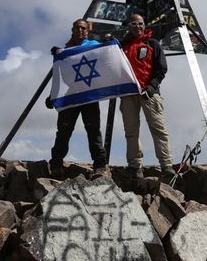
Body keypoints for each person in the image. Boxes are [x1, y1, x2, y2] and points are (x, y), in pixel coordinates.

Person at [45, 19, 108, 178]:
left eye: (83, 28)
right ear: (72, 30)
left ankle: (100, 166)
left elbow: (106, 62)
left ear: (87, 31)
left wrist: (109, 47)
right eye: (77, 27)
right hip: (71, 95)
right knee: (64, 131)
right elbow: (62, 77)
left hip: (89, 96)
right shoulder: (66, 51)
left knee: (93, 131)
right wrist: (52, 96)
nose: (80, 30)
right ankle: (56, 164)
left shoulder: (94, 45)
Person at [119, 14, 175, 179]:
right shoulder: (121, 46)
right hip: (128, 94)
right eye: (134, 23)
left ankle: (167, 165)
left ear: (145, 25)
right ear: (129, 26)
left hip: (149, 93)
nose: (137, 26)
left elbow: (161, 68)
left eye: (140, 23)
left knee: (159, 129)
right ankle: (134, 166)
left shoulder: (153, 43)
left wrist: (151, 87)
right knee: (131, 130)